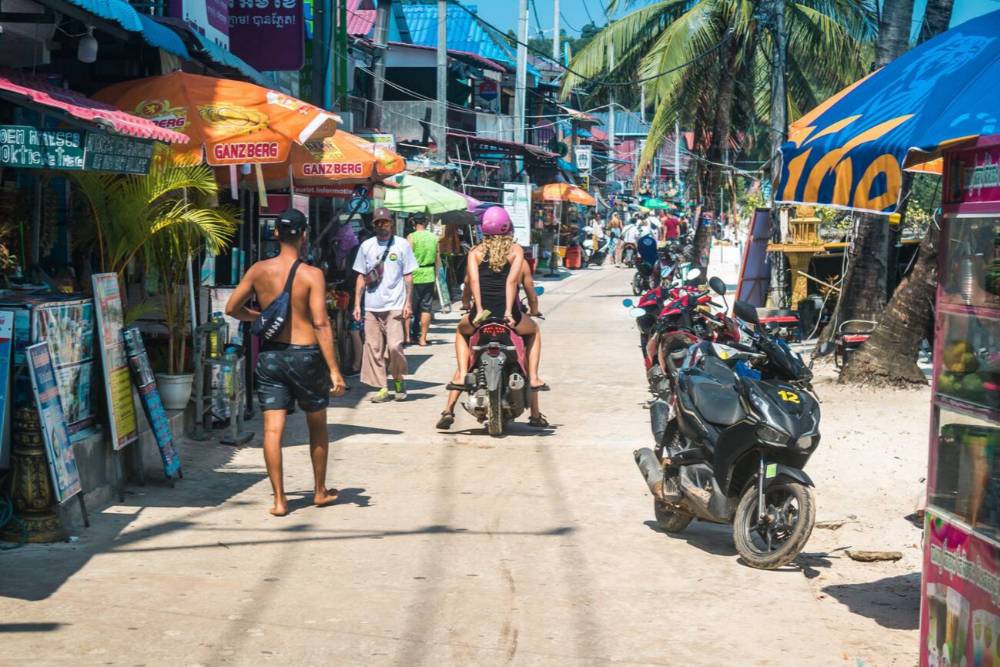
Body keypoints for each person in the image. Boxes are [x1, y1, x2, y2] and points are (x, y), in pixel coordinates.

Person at [225, 209, 347, 517]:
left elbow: (232, 308)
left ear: (276, 233)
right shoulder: (312, 274)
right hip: (306, 355)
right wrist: (334, 369)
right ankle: (319, 491)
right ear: (304, 235)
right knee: (316, 423)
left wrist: (261, 317)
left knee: (272, 429)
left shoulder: (258, 270)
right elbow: (320, 323)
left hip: (271, 356)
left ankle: (280, 500)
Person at [436, 206, 548, 430]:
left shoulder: (474, 252)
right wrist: (509, 312)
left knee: (462, 335)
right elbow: (512, 283)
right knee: (534, 331)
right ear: (508, 228)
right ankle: (534, 384)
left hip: (482, 316)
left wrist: (476, 309)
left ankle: (453, 397)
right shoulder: (516, 251)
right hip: (509, 316)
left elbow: (472, 282)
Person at [353, 207, 418, 403]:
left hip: (395, 305)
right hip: (372, 306)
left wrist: (408, 303)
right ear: (374, 226)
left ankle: (398, 379)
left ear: (391, 224)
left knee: (395, 346)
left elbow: (408, 276)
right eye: (378, 223)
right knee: (373, 348)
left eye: (385, 222)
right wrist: (357, 305)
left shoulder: (402, 245)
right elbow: (361, 277)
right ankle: (382, 387)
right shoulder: (366, 246)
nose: (382, 226)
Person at [406, 214, 441, 346]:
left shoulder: (411, 237)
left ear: (413, 223)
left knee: (410, 307)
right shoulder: (433, 237)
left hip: (414, 275)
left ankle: (407, 337)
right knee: (426, 308)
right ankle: (422, 339)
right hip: (429, 275)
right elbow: (437, 259)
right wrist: (436, 276)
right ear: (425, 223)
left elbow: (407, 257)